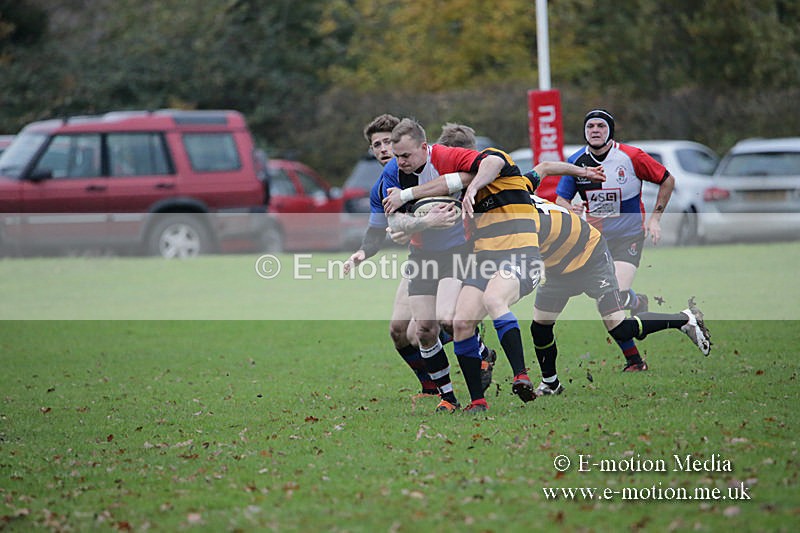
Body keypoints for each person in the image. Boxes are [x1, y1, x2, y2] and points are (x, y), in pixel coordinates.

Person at [385, 134, 606, 412]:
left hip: (521, 256)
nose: (461, 171)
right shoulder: (462, 196)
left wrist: (584, 173)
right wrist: (409, 223)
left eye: (463, 163)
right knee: (460, 322)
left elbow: (502, 167)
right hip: (483, 261)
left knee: (494, 301)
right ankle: (477, 402)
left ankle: (520, 376)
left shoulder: (505, 170)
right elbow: (545, 167)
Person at [344, 117, 495, 407]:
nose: (388, 153)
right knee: (414, 330)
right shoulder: (389, 177)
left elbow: (487, 165)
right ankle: (442, 394)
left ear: (419, 145)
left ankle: (479, 352)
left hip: (458, 251)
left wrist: (468, 188)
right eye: (379, 145)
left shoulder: (440, 157)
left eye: (391, 145)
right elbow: (390, 224)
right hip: (421, 255)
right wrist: (423, 222)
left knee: (447, 320)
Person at [556, 109, 676, 327]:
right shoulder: (575, 162)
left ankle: (636, 315)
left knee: (613, 299)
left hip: (627, 236)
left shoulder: (632, 156)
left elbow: (668, 180)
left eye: (600, 126)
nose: (595, 130)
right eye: (590, 126)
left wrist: (655, 219)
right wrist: (570, 209)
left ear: (610, 130)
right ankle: (637, 301)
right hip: (594, 241)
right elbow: (560, 200)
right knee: (601, 297)